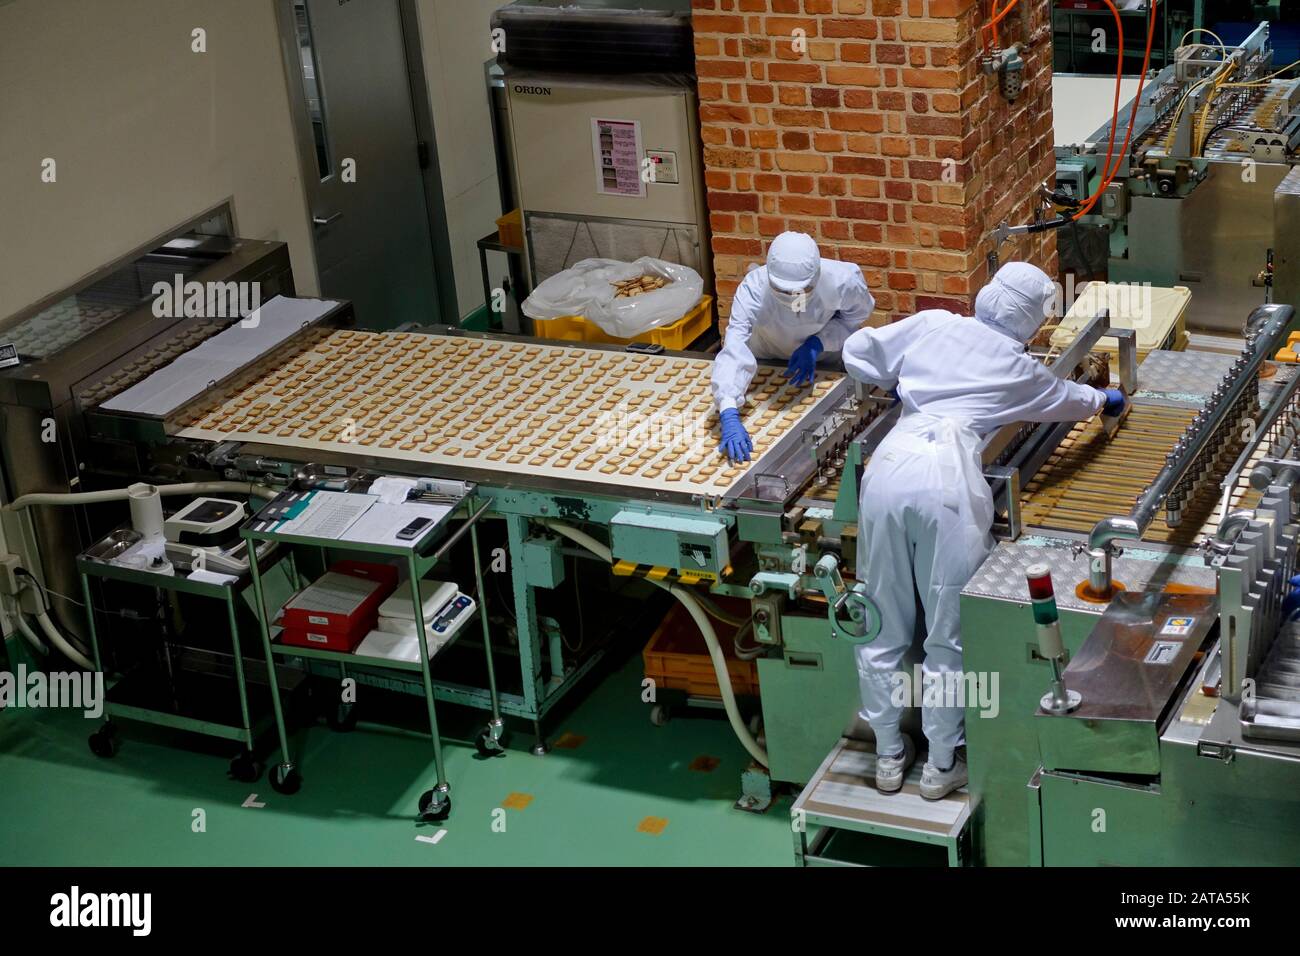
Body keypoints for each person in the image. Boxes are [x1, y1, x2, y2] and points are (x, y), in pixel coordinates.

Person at [840, 262, 1125, 800]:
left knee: (880, 621)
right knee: (946, 633)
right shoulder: (1017, 368)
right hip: (947, 481)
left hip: (886, 470)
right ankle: (940, 765)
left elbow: (861, 352)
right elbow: (1066, 399)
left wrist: (901, 375)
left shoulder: (934, 324)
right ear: (1027, 322)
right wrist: (1104, 401)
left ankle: (886, 755)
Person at [713, 232, 876, 463]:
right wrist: (728, 406)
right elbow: (734, 345)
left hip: (825, 365)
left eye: (800, 290)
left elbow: (853, 323)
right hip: (767, 359)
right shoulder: (753, 287)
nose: (792, 297)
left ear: (816, 275)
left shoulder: (843, 280)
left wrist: (818, 343)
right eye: (783, 291)